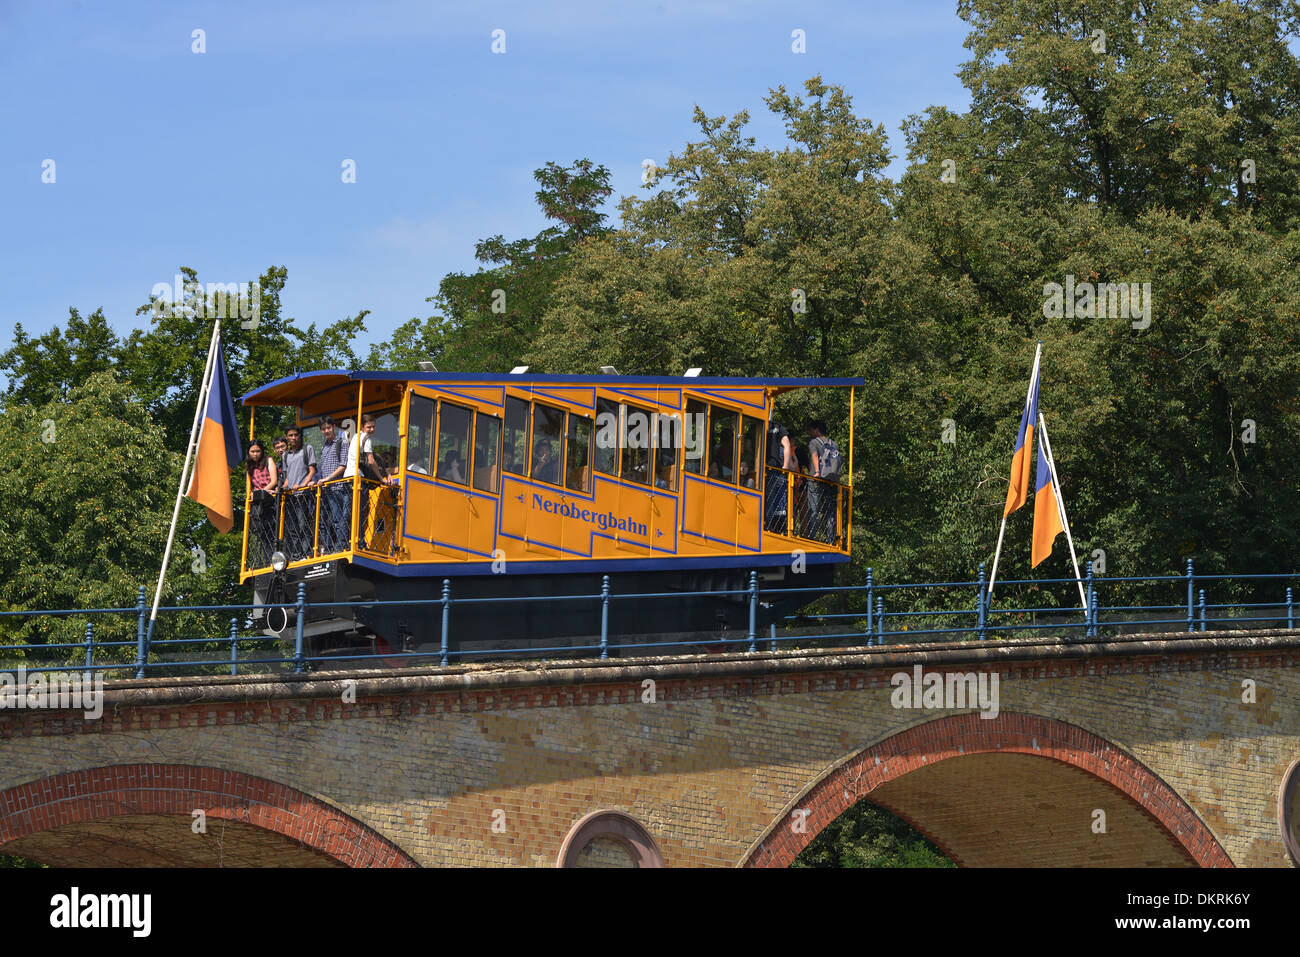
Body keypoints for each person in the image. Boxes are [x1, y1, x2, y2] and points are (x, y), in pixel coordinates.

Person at [281, 426, 318, 559]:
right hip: (291, 496)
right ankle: (295, 555)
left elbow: (312, 471)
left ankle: (305, 553)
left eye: (296, 435)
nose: (293, 438)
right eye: (290, 435)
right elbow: (287, 478)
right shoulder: (286, 455)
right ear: (287, 437)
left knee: (303, 525)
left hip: (303, 494)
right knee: (292, 528)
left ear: (300, 436)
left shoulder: (307, 449)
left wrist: (301, 486)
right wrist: (282, 488)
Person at [316, 415, 348, 553]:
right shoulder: (325, 445)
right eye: (323, 429)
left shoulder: (341, 442)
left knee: (338, 518)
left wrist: (328, 478)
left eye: (328, 427)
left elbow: (343, 465)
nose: (326, 431)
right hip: (325, 489)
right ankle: (328, 549)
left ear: (334, 427)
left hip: (337, 487)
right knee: (324, 521)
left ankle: (341, 546)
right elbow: (322, 468)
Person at [245, 439, 279, 563]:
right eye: (252, 451)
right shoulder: (248, 465)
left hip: (270, 499)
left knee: (272, 531)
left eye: (257, 451)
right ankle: (266, 559)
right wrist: (253, 495)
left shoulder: (268, 460)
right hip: (258, 502)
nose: (255, 454)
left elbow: (274, 480)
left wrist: (262, 492)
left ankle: (274, 557)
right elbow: (248, 487)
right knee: (262, 532)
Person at [807, 419, 840, 544]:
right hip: (831, 481)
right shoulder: (834, 444)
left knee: (813, 510)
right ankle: (830, 538)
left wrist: (817, 472)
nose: (810, 432)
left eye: (811, 430)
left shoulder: (814, 442)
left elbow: (814, 456)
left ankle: (812, 536)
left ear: (816, 430)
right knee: (829, 512)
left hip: (816, 481)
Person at [764, 420, 795, 533]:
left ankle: (766, 525)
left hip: (765, 466)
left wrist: (786, 465)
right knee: (770, 498)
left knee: (769, 498)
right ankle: (768, 526)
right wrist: (785, 466)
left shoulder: (760, 422)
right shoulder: (778, 426)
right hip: (772, 467)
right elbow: (786, 444)